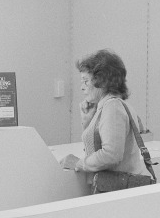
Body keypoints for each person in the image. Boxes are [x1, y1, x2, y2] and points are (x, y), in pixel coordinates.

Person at [62, 49, 152, 189]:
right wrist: (87, 122)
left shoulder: (112, 107)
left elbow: (111, 155)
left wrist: (78, 163)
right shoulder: (111, 105)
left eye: (86, 81)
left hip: (118, 191)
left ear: (102, 80)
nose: (82, 87)